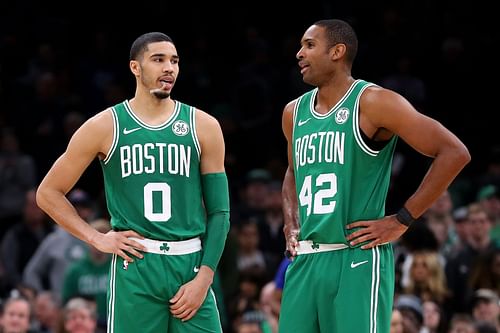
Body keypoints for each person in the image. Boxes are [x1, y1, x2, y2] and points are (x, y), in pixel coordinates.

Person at [279, 19, 470, 333]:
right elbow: (293, 170)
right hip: (305, 261)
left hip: (356, 257)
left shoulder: (374, 102)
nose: (299, 53)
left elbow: (454, 152)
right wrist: (291, 220)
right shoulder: (293, 112)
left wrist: (402, 219)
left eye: (309, 45)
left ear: (338, 52)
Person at [35, 32, 230, 333]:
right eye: (158, 59)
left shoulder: (203, 126)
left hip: (190, 265)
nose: (170, 68)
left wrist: (205, 278)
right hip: (136, 266)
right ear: (135, 68)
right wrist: (97, 238)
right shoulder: (105, 126)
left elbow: (220, 213)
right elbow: (47, 193)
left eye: (175, 61)